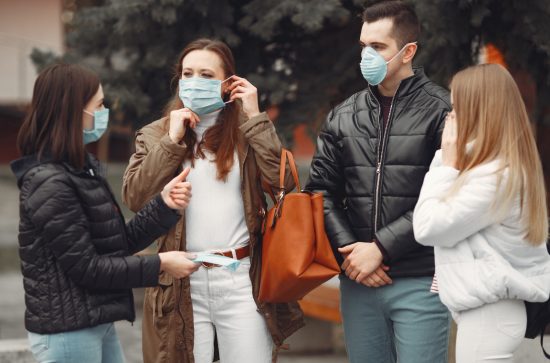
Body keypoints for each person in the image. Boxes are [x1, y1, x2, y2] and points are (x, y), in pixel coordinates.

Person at [122, 38, 304, 363]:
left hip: (240, 276)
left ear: (227, 82)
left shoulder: (247, 131)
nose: (194, 82)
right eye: (187, 73)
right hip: (182, 279)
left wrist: (255, 115)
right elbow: (135, 196)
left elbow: (283, 182)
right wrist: (172, 140)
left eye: (206, 75)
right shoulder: (156, 134)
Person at [11, 63, 200, 363]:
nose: (104, 112)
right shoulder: (49, 182)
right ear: (73, 112)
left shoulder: (80, 170)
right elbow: (89, 268)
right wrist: (161, 263)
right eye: (98, 105)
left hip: (94, 322)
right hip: (68, 334)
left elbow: (115, 245)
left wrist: (164, 205)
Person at [305, 1, 452, 362]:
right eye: (363, 46)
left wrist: (380, 249)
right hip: (358, 282)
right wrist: (354, 254)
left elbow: (449, 197)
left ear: (408, 51)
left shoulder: (443, 111)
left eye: (378, 47)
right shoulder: (344, 115)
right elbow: (319, 192)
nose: (366, 55)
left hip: (421, 279)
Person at [413, 63, 550, 363]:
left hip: (491, 316)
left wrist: (445, 162)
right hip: (488, 314)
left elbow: (426, 226)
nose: (450, 118)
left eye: (457, 108)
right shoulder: (492, 169)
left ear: (478, 111)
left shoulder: (495, 177)